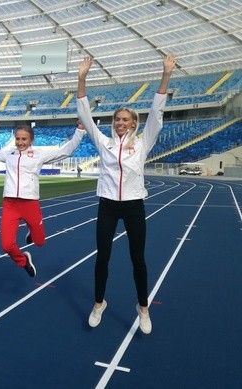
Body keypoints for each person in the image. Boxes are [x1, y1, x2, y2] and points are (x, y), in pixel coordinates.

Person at [77, 55, 177, 334]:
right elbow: (85, 115)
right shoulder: (104, 143)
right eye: (117, 119)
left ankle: (143, 308)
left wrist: (165, 75)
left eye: (125, 119)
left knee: (138, 259)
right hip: (108, 205)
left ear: (133, 123)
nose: (120, 122)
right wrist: (82, 79)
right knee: (103, 257)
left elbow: (156, 116)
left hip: (133, 206)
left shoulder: (143, 143)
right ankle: (99, 303)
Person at [0, 118, 85, 277]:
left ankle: (32, 232)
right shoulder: (9, 153)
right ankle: (23, 260)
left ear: (31, 140)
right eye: (17, 138)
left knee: (39, 242)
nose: (20, 142)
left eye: (24, 139)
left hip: (30, 203)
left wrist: (79, 130)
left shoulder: (39, 154)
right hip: (10, 204)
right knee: (6, 245)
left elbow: (67, 151)